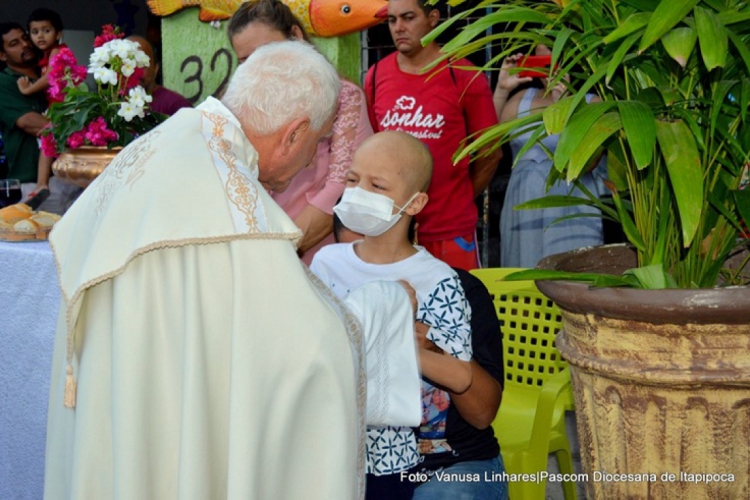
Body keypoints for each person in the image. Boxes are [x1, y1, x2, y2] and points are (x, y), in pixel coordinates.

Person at [44, 41, 421, 500]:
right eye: (319, 143)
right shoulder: (237, 211)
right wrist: (382, 309)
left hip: (124, 406)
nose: (311, 161)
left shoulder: (164, 143)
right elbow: (309, 350)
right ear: (293, 134)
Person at [313, 131, 506, 499]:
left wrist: (417, 346)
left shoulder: (449, 286)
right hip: (348, 453)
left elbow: (482, 413)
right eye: (352, 180)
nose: (358, 193)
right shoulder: (326, 265)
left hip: (447, 463)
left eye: (377, 185)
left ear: (415, 203)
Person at [228, 0, 373, 264]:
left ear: (295, 36)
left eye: (266, 51)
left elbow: (341, 188)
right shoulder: (241, 104)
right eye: (245, 60)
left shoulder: (344, 98)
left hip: (315, 249)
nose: (257, 66)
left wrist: (280, 252)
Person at [364, 0, 500, 271]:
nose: (399, 28)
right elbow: (372, 153)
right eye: (392, 20)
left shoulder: (462, 75)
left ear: (433, 18)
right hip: (391, 231)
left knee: (458, 310)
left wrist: (458, 198)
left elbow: (491, 152)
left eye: (408, 17)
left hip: (450, 233)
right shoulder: (376, 76)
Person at [494, 47, 607, 268]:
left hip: (572, 204)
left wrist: (566, 105)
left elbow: (590, 160)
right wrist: (501, 89)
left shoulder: (593, 102)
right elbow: (486, 145)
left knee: (573, 276)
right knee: (524, 272)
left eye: (556, 60)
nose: (550, 69)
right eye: (543, 60)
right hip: (524, 203)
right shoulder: (520, 99)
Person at [0, 22, 79, 214]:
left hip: (73, 177)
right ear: (2, 56)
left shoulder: (49, 70)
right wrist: (81, 134)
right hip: (34, 186)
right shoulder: (4, 82)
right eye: (14, 43)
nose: (25, 45)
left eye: (25, 38)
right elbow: (31, 124)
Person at [16, 9, 65, 202]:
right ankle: (43, 183)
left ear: (58, 34)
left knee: (48, 140)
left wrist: (28, 90)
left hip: (63, 105)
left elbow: (50, 77)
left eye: (46, 30)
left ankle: (42, 183)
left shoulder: (57, 51)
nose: (40, 36)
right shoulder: (44, 56)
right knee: (49, 144)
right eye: (35, 32)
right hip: (57, 106)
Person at [126, 35, 193, 116]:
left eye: (142, 65)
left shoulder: (176, 106)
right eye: (128, 65)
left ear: (156, 68)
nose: (135, 71)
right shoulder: (113, 104)